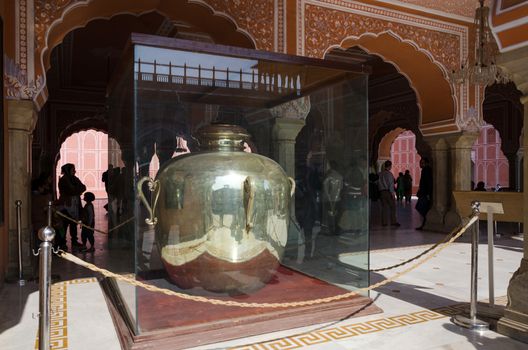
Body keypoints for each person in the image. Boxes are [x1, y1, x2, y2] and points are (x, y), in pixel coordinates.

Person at [58, 163, 86, 249]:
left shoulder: (74, 179)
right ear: (68, 170)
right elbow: (71, 190)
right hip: (66, 205)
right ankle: (62, 243)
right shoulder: (63, 180)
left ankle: (74, 241)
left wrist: (76, 190)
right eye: (73, 169)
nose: (74, 171)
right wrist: (77, 190)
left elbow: (83, 187)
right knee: (64, 225)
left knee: (73, 224)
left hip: (74, 205)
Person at [322, 161, 343, 235]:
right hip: (337, 199)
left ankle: (331, 229)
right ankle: (335, 229)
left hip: (329, 199)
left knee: (329, 215)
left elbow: (325, 189)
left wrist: (328, 198)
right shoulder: (340, 176)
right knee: (336, 215)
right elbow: (340, 188)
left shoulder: (328, 177)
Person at [378, 160, 400, 227]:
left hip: (382, 192)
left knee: (384, 207)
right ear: (390, 166)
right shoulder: (389, 174)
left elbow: (378, 183)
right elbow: (391, 184)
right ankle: (393, 221)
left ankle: (384, 222)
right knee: (392, 207)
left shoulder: (380, 174)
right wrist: (392, 194)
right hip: (388, 192)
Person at [415, 158, 433, 230]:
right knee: (422, 208)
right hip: (424, 193)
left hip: (425, 193)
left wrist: (428, 193)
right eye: (420, 162)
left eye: (422, 163)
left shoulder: (426, 170)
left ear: (426, 163)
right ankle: (425, 223)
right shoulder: (425, 170)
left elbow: (428, 182)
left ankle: (426, 222)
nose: (420, 164)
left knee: (421, 207)